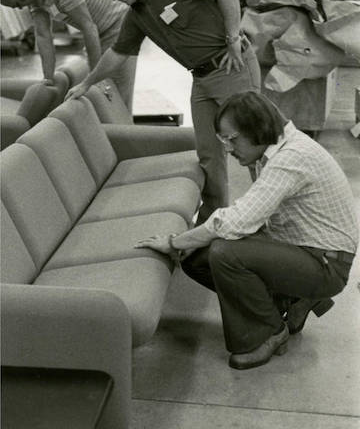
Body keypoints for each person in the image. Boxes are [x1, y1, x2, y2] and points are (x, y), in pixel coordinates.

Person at [135, 91, 359, 370]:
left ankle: (268, 332)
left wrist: (174, 241)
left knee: (224, 253)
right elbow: (252, 217)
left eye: (232, 139)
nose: (228, 149)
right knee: (196, 256)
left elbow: (237, 220)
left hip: (326, 264)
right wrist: (189, 243)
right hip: (302, 248)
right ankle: (287, 302)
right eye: (223, 140)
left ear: (258, 129)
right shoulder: (274, 150)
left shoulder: (290, 158)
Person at [65, 0, 261, 224]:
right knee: (208, 156)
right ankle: (213, 224)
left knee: (254, 145)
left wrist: (232, 37)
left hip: (231, 66)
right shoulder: (137, 14)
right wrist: (86, 83)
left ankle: (273, 219)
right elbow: (118, 53)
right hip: (202, 79)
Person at [1, 0, 137, 110]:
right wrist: (48, 79)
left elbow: (88, 27)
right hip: (98, 30)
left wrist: (92, 79)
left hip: (118, 24)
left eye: (15, 5)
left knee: (115, 97)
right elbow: (43, 35)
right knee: (102, 96)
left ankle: (123, 129)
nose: (20, 8)